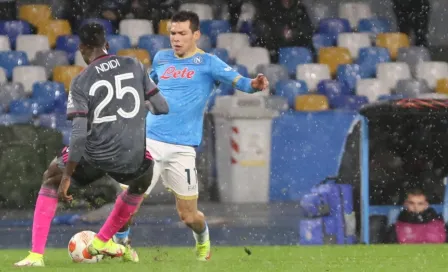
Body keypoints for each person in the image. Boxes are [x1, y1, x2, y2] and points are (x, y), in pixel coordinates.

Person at [116, 10, 269, 261]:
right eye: (172, 33)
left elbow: (239, 81)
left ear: (196, 34)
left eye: (182, 33)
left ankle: (203, 240)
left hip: (182, 149)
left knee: (189, 216)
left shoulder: (209, 63)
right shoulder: (161, 58)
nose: (176, 38)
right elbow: (149, 87)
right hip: (150, 142)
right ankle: (121, 245)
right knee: (126, 203)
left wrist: (254, 84)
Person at [14, 22, 169, 267]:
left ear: (83, 48)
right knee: (141, 181)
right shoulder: (135, 65)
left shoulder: (81, 80)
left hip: (95, 155)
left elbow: (78, 135)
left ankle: (35, 256)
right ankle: (104, 240)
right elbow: (162, 107)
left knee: (50, 177)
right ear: (106, 45)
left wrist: (67, 175)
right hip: (131, 156)